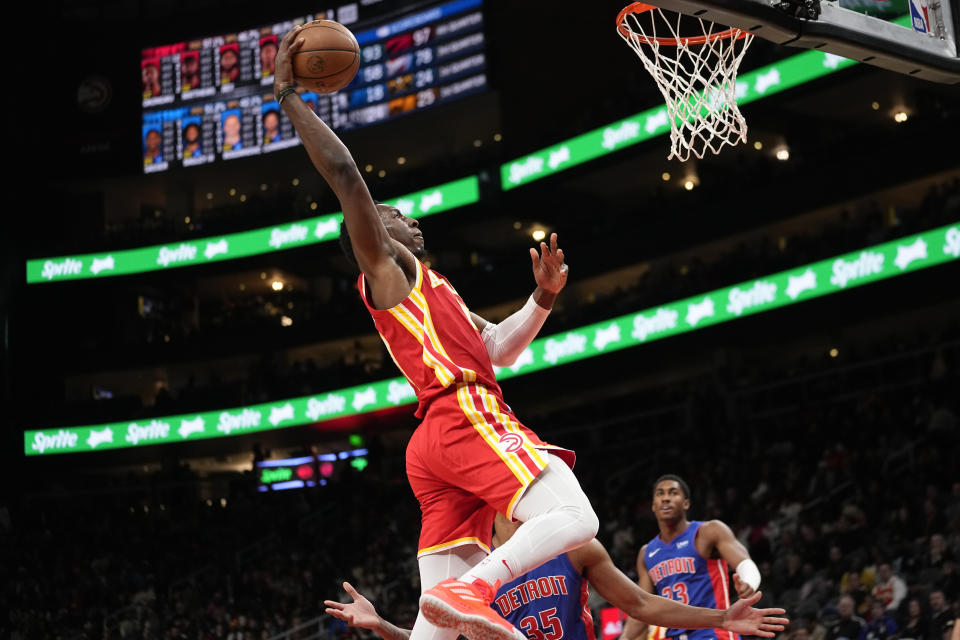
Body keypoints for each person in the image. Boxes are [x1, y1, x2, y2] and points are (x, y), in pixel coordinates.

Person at [274, 24, 597, 640]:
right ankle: (477, 587)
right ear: (370, 235)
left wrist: (543, 300)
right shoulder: (388, 272)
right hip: (463, 415)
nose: (409, 216)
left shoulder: (435, 287)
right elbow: (345, 176)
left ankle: (461, 592)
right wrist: (290, 98)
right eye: (392, 214)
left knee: (437, 631)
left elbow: (496, 348)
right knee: (575, 515)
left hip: (433, 446)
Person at [325, 514, 787, 640]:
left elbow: (642, 606)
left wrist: (721, 618)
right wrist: (382, 626)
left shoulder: (574, 544)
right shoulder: (471, 569)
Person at [618, 475, 764, 640]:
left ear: (686, 503)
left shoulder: (709, 531)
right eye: (660, 494)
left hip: (714, 633)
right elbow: (642, 607)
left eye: (673, 493)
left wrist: (748, 582)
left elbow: (745, 562)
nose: (665, 498)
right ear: (653, 505)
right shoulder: (646, 553)